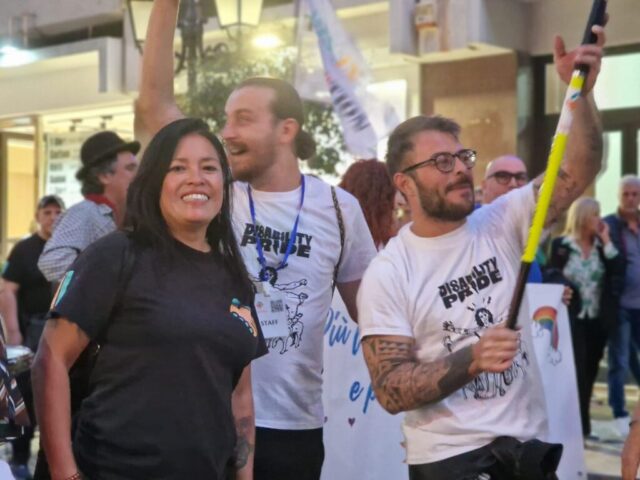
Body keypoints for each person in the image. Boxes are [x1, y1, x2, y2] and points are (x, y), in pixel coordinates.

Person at [135, 3, 377, 479]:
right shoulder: (216, 192)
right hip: (207, 413)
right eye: (226, 119)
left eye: (243, 119)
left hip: (295, 425)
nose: (227, 132)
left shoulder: (338, 209)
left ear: (286, 129)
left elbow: (371, 313)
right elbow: (155, 105)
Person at [357, 24, 605, 479]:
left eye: (462, 157)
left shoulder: (502, 219)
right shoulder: (389, 272)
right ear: (404, 184)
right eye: (441, 162)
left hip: (527, 451)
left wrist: (582, 95)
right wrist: (471, 359)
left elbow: (577, 170)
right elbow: (390, 388)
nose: (459, 170)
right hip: (451, 459)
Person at [32, 118, 267, 480]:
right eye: (178, 168)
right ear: (155, 180)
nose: (196, 179)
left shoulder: (234, 276)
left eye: (209, 168)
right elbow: (50, 360)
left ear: (224, 182)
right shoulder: (115, 255)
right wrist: (65, 473)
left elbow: (240, 394)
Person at [322, 160, 408, 480]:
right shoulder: (393, 258)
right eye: (395, 205)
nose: (398, 213)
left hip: (339, 392)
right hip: (366, 395)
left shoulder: (326, 252)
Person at [0, 195, 64, 480]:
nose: (53, 217)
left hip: (61, 333)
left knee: (56, 397)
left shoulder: (68, 248)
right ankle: (20, 459)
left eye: (58, 212)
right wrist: (14, 333)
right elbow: (7, 291)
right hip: (30, 334)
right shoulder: (24, 250)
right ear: (38, 216)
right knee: (25, 397)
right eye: (47, 212)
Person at [548, 197, 624, 438]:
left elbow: (618, 269)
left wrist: (607, 240)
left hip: (597, 321)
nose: (599, 219)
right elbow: (551, 274)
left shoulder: (602, 247)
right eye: (595, 214)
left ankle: (583, 426)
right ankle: (574, 426)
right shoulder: (561, 245)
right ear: (582, 217)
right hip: (571, 320)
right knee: (575, 373)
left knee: (589, 373)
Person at [38, 131, 140, 282]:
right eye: (130, 168)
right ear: (104, 176)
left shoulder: (128, 213)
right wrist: (106, 279)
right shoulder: (85, 212)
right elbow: (53, 262)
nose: (138, 174)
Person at [605, 174, 640, 437]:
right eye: (625, 194)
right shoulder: (609, 225)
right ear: (618, 196)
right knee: (619, 360)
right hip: (620, 305)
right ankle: (619, 413)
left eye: (634, 194)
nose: (630, 199)